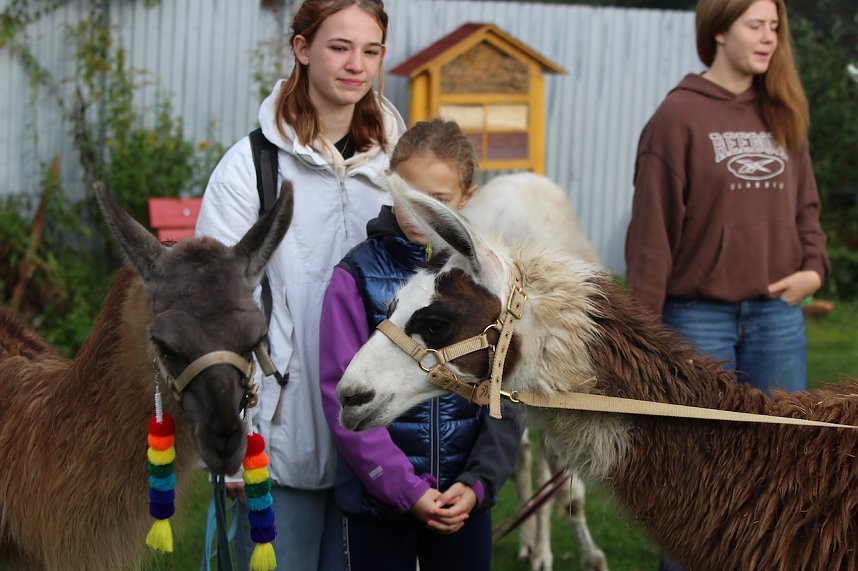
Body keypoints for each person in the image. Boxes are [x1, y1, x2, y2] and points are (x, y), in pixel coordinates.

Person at [194, 1, 405, 569]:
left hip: (382, 436)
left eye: (371, 50)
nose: (356, 65)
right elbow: (212, 313)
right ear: (303, 48)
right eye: (339, 47)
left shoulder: (402, 166)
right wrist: (232, 440)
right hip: (278, 436)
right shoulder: (250, 168)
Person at [624, 1, 830, 569]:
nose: (769, 38)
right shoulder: (677, 117)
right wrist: (642, 342)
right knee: (696, 479)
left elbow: (807, 208)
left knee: (786, 470)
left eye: (774, 27)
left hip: (776, 319)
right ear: (719, 29)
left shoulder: (782, 110)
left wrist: (813, 268)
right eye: (755, 25)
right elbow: (651, 240)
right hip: (697, 320)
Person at [319, 118, 524, 570]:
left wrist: (477, 484)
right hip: (379, 503)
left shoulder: (486, 282)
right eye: (410, 196)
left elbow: (507, 391)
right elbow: (341, 390)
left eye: (439, 201)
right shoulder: (356, 275)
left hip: (461, 502)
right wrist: (403, 489)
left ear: (466, 199)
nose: (419, 213)